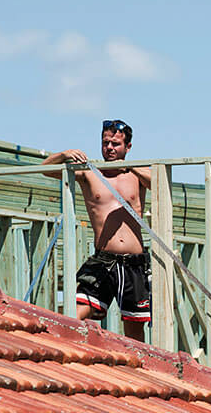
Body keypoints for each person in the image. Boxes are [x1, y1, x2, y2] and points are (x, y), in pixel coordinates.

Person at [43, 119, 154, 341]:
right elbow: (46, 169)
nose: (110, 148)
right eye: (106, 143)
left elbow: (162, 183)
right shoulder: (89, 173)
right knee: (75, 313)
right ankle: (61, 349)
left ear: (128, 147)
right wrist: (65, 154)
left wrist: (131, 166)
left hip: (133, 263)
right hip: (103, 260)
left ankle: (137, 370)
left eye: (115, 144)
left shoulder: (137, 175)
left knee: (134, 330)